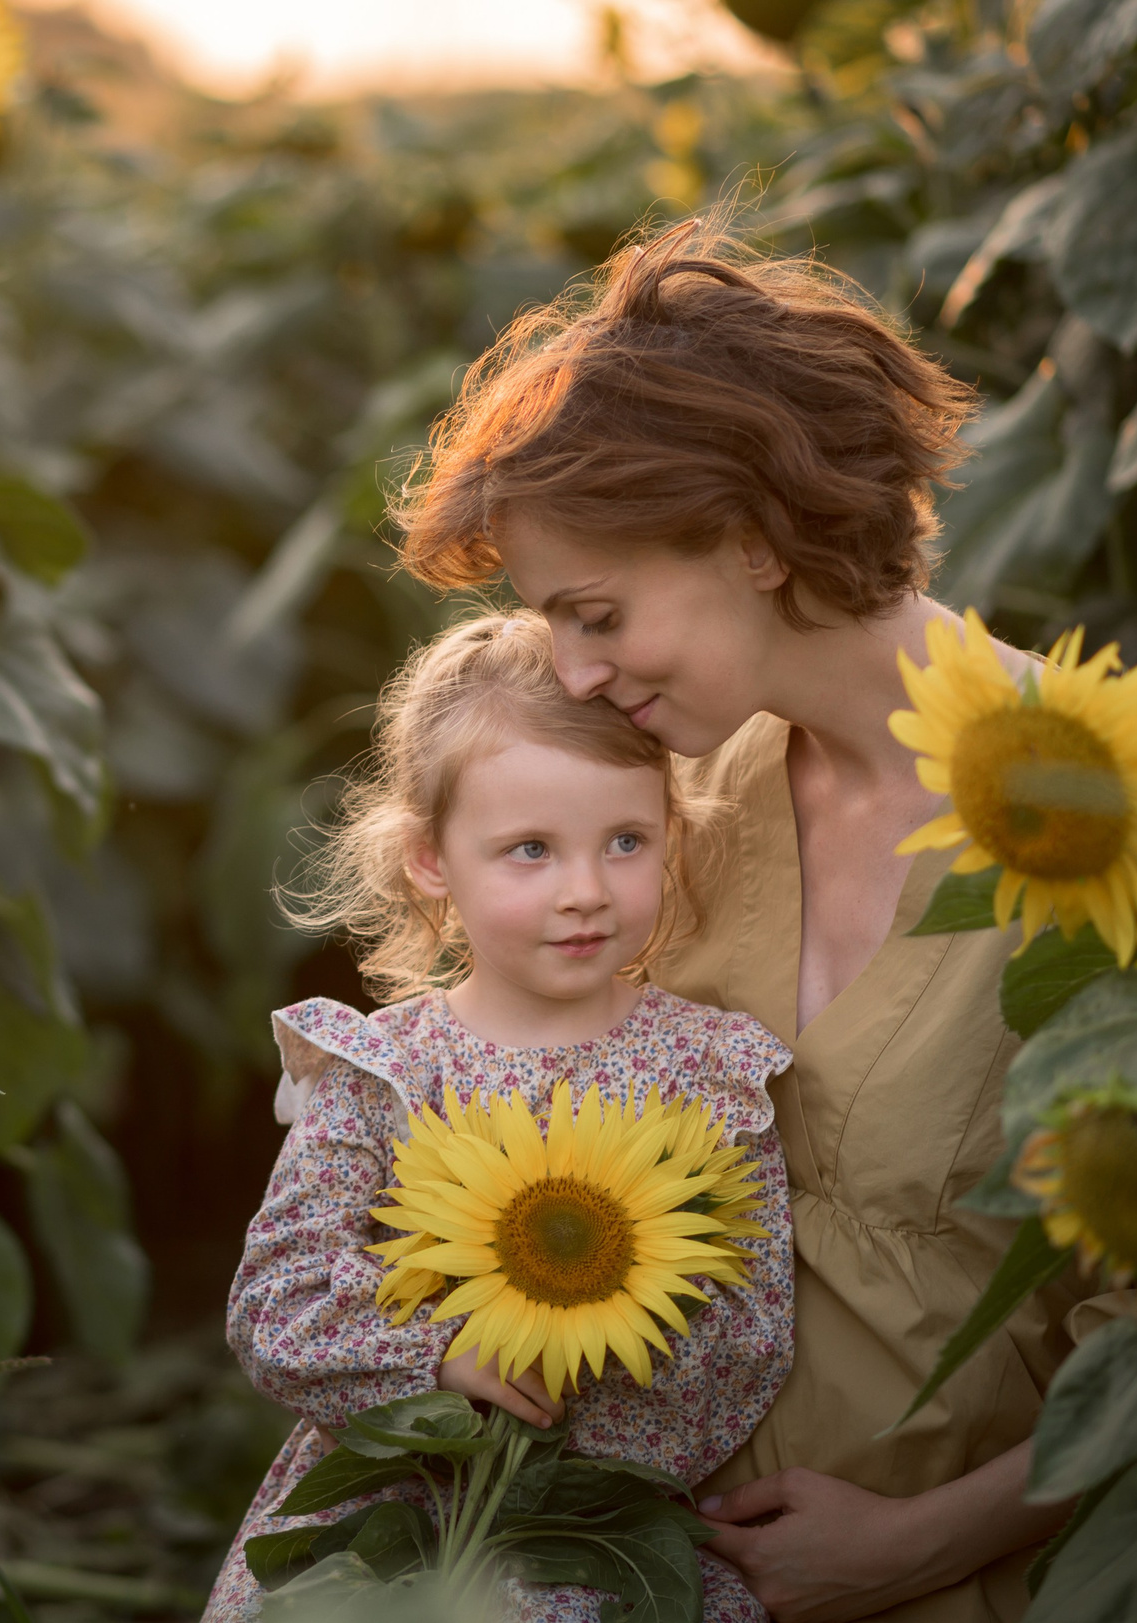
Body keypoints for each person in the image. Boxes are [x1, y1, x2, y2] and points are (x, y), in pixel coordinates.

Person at [388, 218, 1137, 1623]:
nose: (572, 667)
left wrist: (919, 1540)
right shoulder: (685, 801)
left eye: (598, 611)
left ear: (748, 539)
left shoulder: (1111, 812)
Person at [205, 613, 799, 1623]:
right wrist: (439, 1360)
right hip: (398, 1531)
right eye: (529, 848)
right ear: (432, 859)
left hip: (600, 1534)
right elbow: (277, 1300)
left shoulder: (708, 1070)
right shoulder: (384, 1072)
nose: (584, 891)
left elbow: (752, 1329)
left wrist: (604, 1354)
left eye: (624, 840)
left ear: (673, 833)